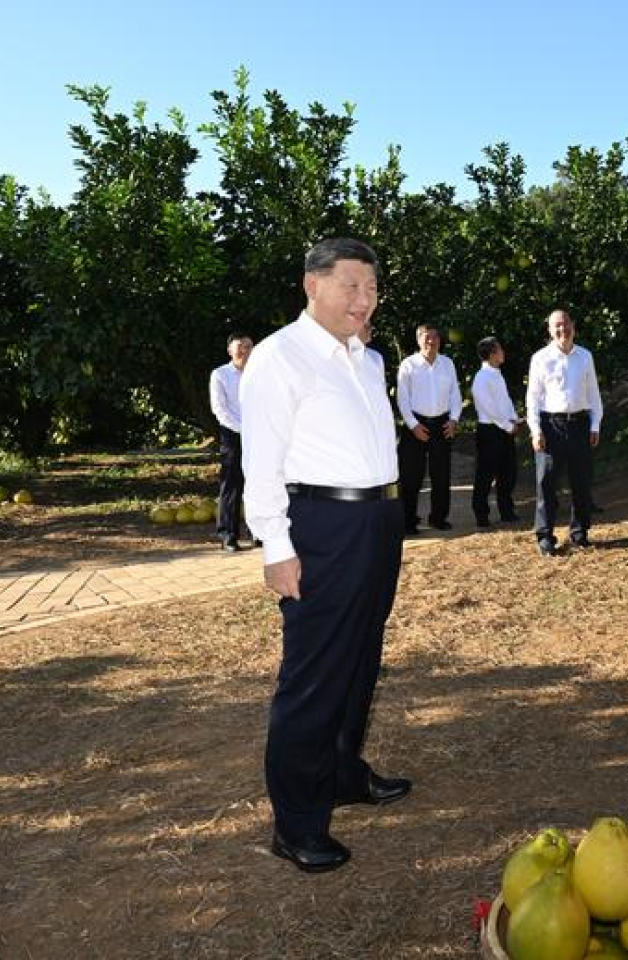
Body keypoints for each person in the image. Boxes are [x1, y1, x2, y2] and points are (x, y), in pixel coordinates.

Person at [240, 238, 410, 875]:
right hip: (322, 526)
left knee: (362, 656)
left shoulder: (366, 358)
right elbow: (261, 464)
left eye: (371, 290)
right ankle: (297, 823)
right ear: (312, 285)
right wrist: (275, 548)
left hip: (378, 519)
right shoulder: (280, 358)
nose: (364, 302)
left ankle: (343, 773)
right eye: (351, 288)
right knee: (313, 675)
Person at [526, 309, 603, 556]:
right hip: (551, 427)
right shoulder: (540, 358)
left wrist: (595, 425)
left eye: (566, 324)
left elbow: (594, 394)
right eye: (556, 326)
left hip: (580, 425)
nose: (562, 330)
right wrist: (536, 430)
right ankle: (545, 537)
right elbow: (533, 399)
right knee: (547, 484)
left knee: (581, 483)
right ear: (549, 330)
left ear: (573, 326)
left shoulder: (585, 356)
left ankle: (580, 534)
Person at [396, 324, 462, 534]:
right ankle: (408, 521)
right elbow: (402, 398)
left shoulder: (447, 364)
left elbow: (455, 394)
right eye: (426, 337)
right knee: (411, 476)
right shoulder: (408, 365)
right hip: (415, 425)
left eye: (435, 337)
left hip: (442, 424)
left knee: (441, 475)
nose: (431, 341)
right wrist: (413, 425)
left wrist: (453, 420)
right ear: (418, 340)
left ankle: (438, 518)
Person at [209, 332, 253, 551]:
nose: (244, 351)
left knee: (258, 484)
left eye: (248, 346)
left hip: (258, 435)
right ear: (230, 350)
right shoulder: (220, 374)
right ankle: (228, 535)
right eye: (240, 346)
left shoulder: (259, 374)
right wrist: (243, 429)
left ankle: (258, 531)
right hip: (232, 434)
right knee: (232, 485)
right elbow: (220, 409)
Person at [470, 336, 520, 527]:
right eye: (500, 350)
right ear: (491, 354)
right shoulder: (481, 378)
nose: (503, 353)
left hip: (503, 429)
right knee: (486, 474)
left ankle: (506, 511)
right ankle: (481, 514)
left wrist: (514, 418)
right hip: (490, 431)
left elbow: (504, 402)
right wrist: (508, 426)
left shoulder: (497, 374)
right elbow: (489, 408)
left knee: (508, 472)